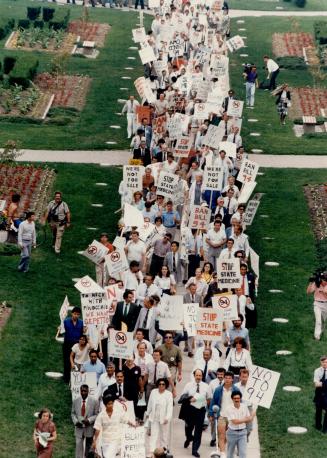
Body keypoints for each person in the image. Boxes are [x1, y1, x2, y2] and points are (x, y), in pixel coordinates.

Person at [209, 371, 240, 458]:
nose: (227, 379)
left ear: (232, 379)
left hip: (231, 417)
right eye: (226, 378)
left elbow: (239, 403)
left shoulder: (236, 390)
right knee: (221, 434)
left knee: (227, 435)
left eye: (229, 378)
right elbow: (213, 402)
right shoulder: (218, 389)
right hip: (221, 415)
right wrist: (211, 414)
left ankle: (221, 448)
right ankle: (222, 453)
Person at [181, 369, 209, 458]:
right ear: (194, 376)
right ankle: (188, 438)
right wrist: (190, 398)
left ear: (202, 376)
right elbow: (182, 396)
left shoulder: (206, 386)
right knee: (188, 428)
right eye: (197, 375)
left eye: (200, 376)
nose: (198, 377)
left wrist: (204, 403)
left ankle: (195, 450)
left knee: (198, 430)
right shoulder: (188, 385)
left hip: (200, 410)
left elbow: (209, 398)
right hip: (190, 409)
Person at [93, 393, 131, 457]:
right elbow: (97, 429)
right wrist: (94, 441)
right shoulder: (101, 415)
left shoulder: (117, 412)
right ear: (105, 405)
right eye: (108, 404)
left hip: (115, 440)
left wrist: (133, 424)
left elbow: (126, 420)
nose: (110, 405)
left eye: (112, 403)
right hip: (105, 441)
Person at [145, 378, 174, 455]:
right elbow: (150, 404)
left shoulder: (169, 394)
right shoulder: (153, 392)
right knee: (154, 434)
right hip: (154, 417)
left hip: (164, 418)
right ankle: (152, 451)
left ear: (166, 385)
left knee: (164, 435)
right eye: (160, 384)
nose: (161, 386)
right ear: (158, 385)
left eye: (163, 384)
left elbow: (170, 407)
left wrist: (167, 418)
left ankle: (163, 450)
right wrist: (147, 413)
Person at [71, 385, 99, 458]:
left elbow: (97, 414)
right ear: (80, 391)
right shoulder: (75, 400)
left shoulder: (94, 401)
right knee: (78, 447)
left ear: (88, 391)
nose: (83, 393)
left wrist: (89, 420)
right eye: (82, 391)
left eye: (85, 391)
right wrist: (76, 421)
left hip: (89, 427)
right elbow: (73, 413)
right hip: (78, 428)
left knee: (89, 448)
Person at [226, 391, 256, 458]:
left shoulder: (244, 407)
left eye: (238, 398)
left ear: (240, 398)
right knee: (230, 453)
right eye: (235, 398)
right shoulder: (229, 408)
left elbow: (249, 420)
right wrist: (249, 418)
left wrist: (251, 417)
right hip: (232, 433)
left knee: (243, 453)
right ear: (232, 399)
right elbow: (235, 422)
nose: (236, 400)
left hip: (242, 433)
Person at [63, 306, 84, 383]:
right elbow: (62, 330)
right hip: (67, 343)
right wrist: (59, 328)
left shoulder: (81, 323)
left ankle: (74, 378)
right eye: (75, 314)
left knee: (76, 361)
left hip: (76, 344)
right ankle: (66, 378)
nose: (76, 316)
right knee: (66, 360)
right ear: (72, 313)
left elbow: (83, 333)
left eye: (78, 314)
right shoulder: (66, 321)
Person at [307, 271, 327, 341]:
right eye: (323, 279)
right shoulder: (316, 283)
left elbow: (325, 292)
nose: (324, 281)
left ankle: (319, 333)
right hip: (317, 304)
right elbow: (308, 292)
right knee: (318, 321)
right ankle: (317, 337)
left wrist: (323, 287)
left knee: (322, 321)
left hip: (326, 304)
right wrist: (311, 282)